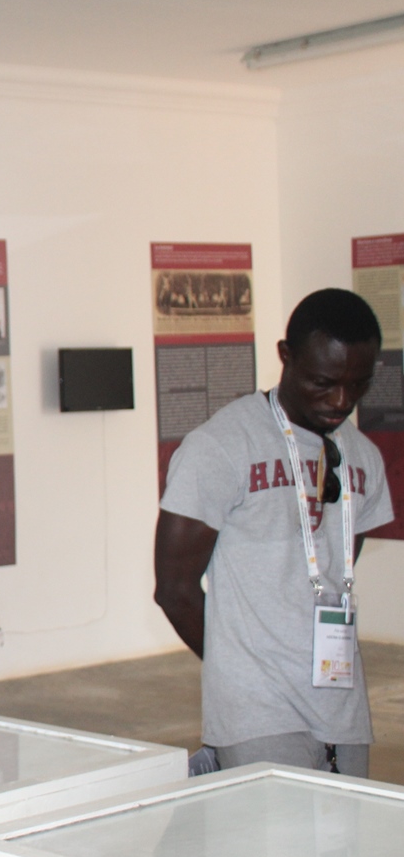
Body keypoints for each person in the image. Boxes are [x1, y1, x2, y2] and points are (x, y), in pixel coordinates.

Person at [155, 288, 393, 777]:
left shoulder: (362, 455)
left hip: (341, 701)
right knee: (278, 829)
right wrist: (237, 670)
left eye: (357, 384)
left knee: (351, 826)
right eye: (323, 382)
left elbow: (338, 568)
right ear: (286, 356)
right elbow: (174, 590)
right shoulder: (220, 447)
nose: (341, 401)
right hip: (257, 709)